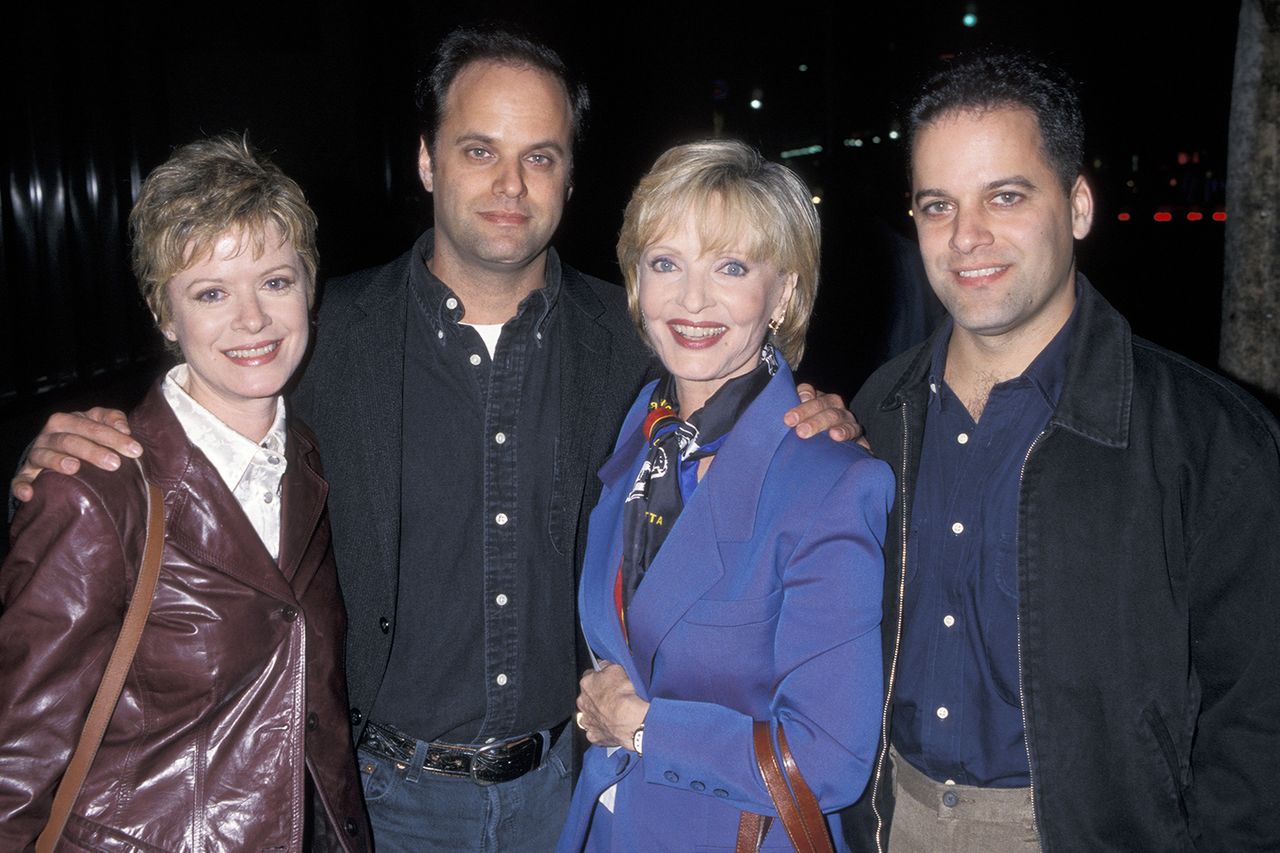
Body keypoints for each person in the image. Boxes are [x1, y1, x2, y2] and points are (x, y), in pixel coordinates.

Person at [9, 25, 857, 851]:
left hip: (572, 788)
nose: (510, 185)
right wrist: (84, 443)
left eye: (541, 156)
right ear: (427, 158)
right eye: (479, 149)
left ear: (569, 174)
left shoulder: (639, 343)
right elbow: (207, 396)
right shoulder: (318, 335)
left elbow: (738, 419)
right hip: (376, 802)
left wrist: (812, 414)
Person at [839, 51, 1280, 852]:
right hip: (886, 821)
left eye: (1005, 196)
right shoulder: (880, 411)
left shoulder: (1212, 442)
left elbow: (1257, 727)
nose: (967, 237)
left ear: (1077, 205)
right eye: (938, 205)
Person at [0, 136, 369, 851]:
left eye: (276, 280)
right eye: (210, 292)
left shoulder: (305, 459)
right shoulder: (97, 493)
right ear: (164, 316)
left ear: (311, 285)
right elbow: (15, 766)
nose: (252, 318)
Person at [557, 140, 892, 852]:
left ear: (786, 292)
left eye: (731, 266)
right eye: (666, 263)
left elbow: (830, 756)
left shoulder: (833, 482)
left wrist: (643, 724)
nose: (692, 299)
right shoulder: (645, 424)